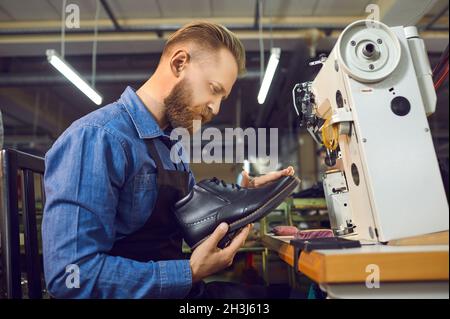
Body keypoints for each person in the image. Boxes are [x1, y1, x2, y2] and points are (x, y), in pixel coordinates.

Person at [42, 21, 294, 298]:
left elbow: (191, 226)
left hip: (181, 294)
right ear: (179, 63)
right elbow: (70, 275)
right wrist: (189, 273)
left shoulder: (169, 143)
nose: (216, 107)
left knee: (285, 295)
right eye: (213, 88)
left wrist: (241, 202)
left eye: (222, 97)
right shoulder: (97, 138)